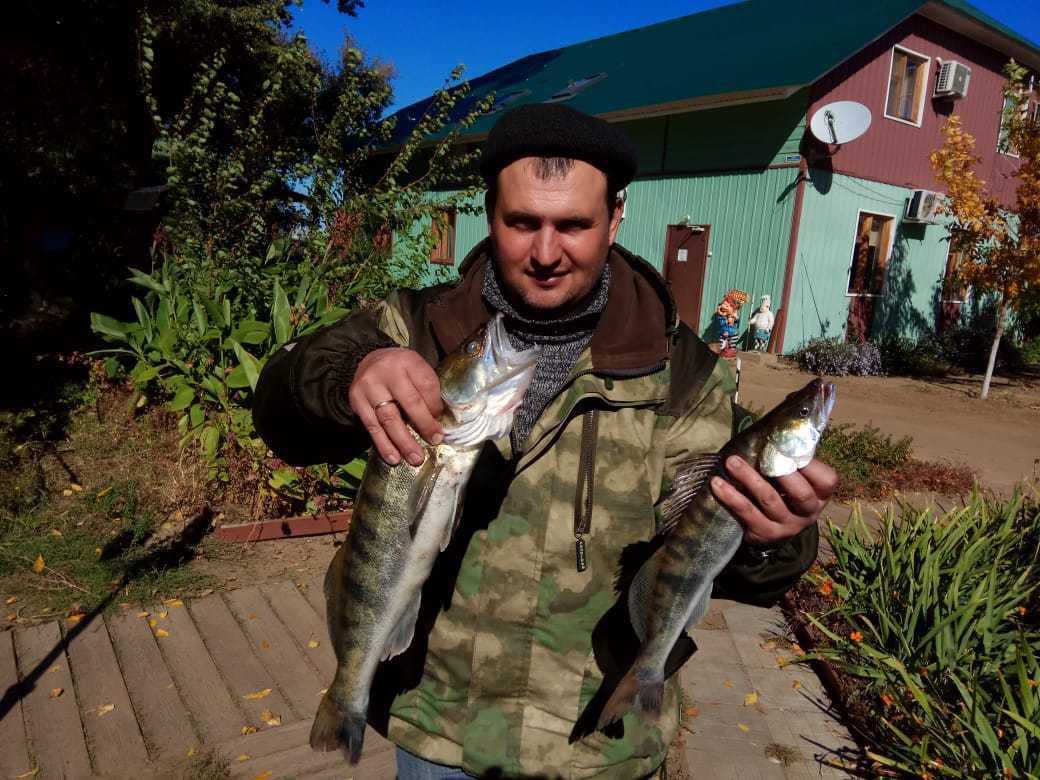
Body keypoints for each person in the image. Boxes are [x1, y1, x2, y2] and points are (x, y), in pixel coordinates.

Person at [253, 104, 838, 779]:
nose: (547, 251)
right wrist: (348, 372)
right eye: (522, 221)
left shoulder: (682, 373)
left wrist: (775, 536)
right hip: (441, 734)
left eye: (574, 225)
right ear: (488, 212)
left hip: (600, 744)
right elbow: (280, 413)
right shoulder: (418, 327)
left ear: (615, 218)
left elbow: (720, 564)